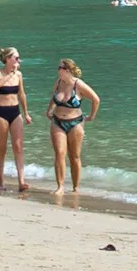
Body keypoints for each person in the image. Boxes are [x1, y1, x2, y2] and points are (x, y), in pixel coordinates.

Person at [47, 58, 100, 206]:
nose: (58, 70)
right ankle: (60, 186)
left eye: (60, 67)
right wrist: (49, 110)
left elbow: (96, 99)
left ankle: (76, 187)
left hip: (75, 122)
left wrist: (91, 116)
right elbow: (53, 97)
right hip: (57, 121)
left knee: (74, 156)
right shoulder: (58, 82)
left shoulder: (78, 85)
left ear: (68, 70)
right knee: (59, 153)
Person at [0, 47, 34, 195]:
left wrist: (26, 113)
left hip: (15, 112)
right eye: (15, 58)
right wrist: (12, 73)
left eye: (18, 58)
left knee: (18, 146)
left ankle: (21, 181)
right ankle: (1, 180)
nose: (18, 61)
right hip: (1, 113)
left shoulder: (19, 75)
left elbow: (22, 94)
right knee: (2, 148)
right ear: (7, 59)